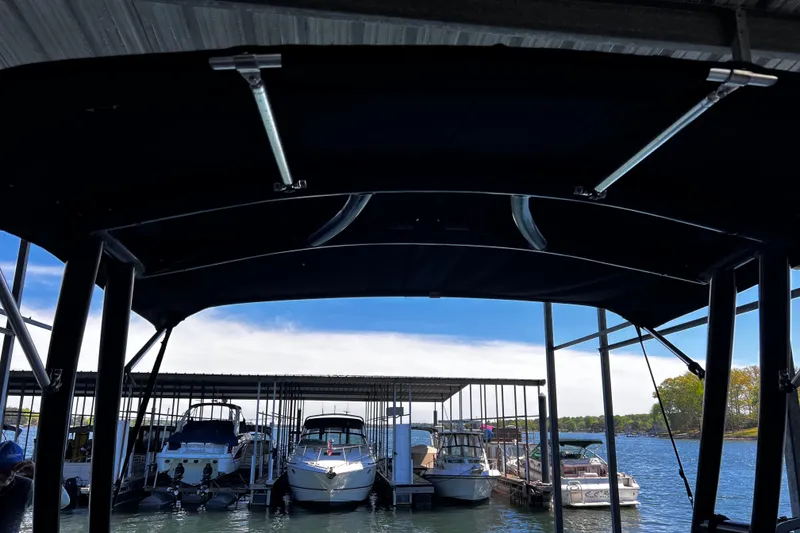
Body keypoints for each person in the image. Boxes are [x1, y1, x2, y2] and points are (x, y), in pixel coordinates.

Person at [0, 441, 32, 533]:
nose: (9, 474)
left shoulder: (24, 487)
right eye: (4, 468)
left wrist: (38, 474)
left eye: (15, 469)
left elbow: (63, 502)